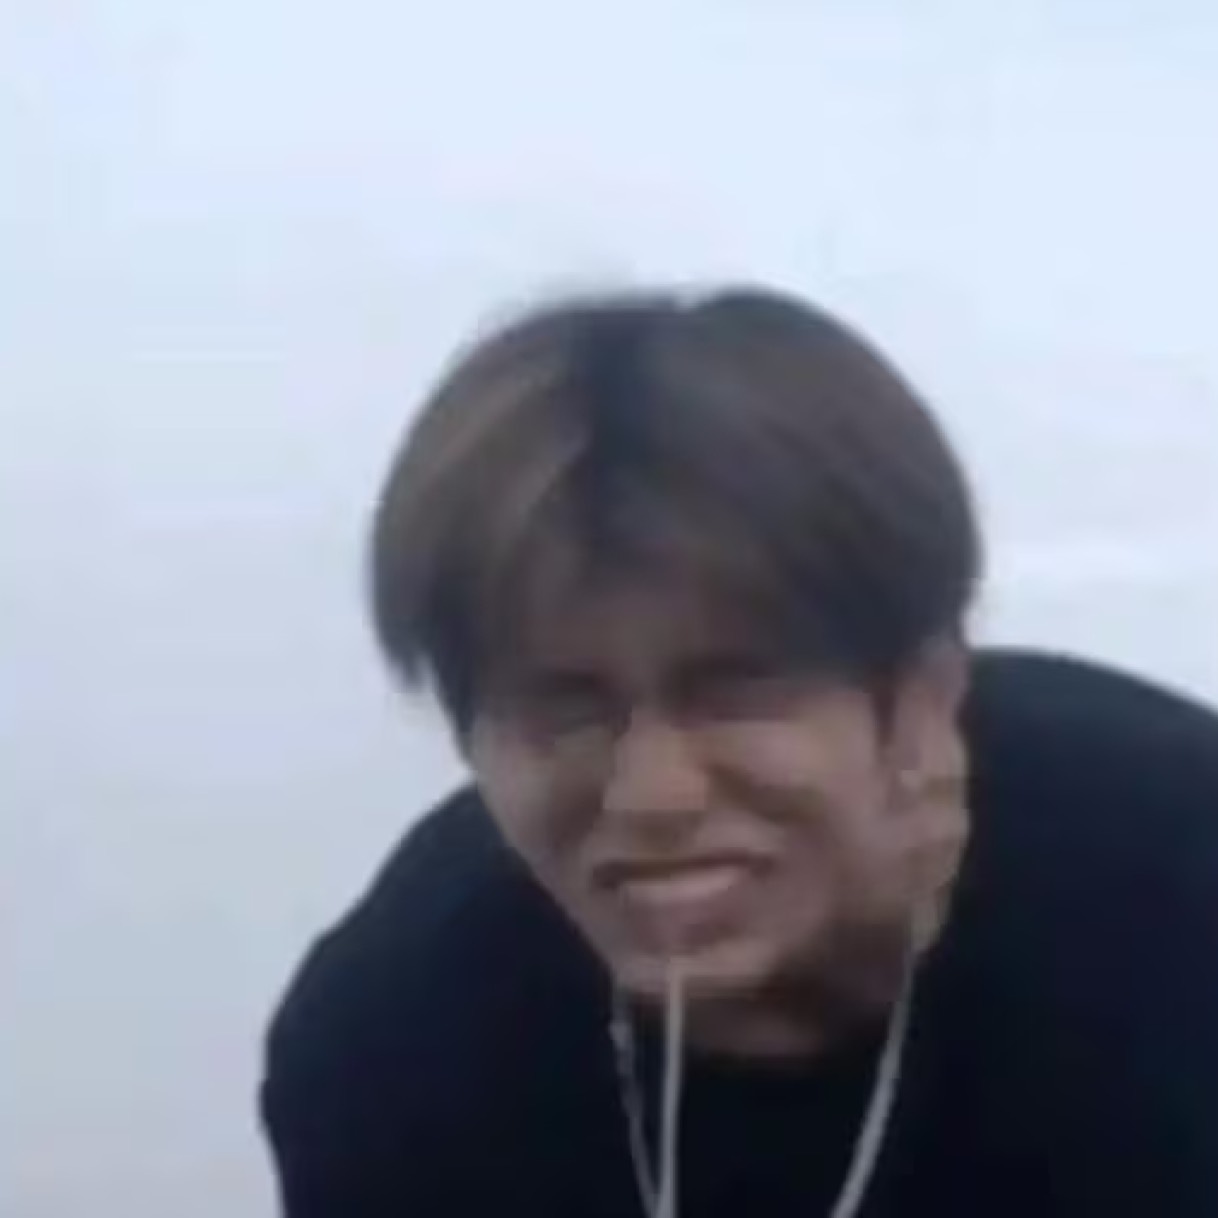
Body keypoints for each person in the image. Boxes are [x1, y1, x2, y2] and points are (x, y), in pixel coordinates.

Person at [260, 287, 1218, 1217]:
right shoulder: (394, 1047)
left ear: (926, 692)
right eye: (565, 708)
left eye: (734, 692)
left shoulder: (1178, 892)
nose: (653, 796)